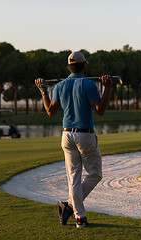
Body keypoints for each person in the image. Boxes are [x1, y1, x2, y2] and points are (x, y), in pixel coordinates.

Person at [35, 51, 112, 228]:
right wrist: (108, 87)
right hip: (85, 135)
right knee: (95, 174)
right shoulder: (89, 84)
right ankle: (71, 208)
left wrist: (43, 92)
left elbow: (50, 111)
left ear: (69, 68)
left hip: (66, 136)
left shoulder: (60, 86)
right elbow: (100, 109)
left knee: (73, 179)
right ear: (84, 66)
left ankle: (79, 218)